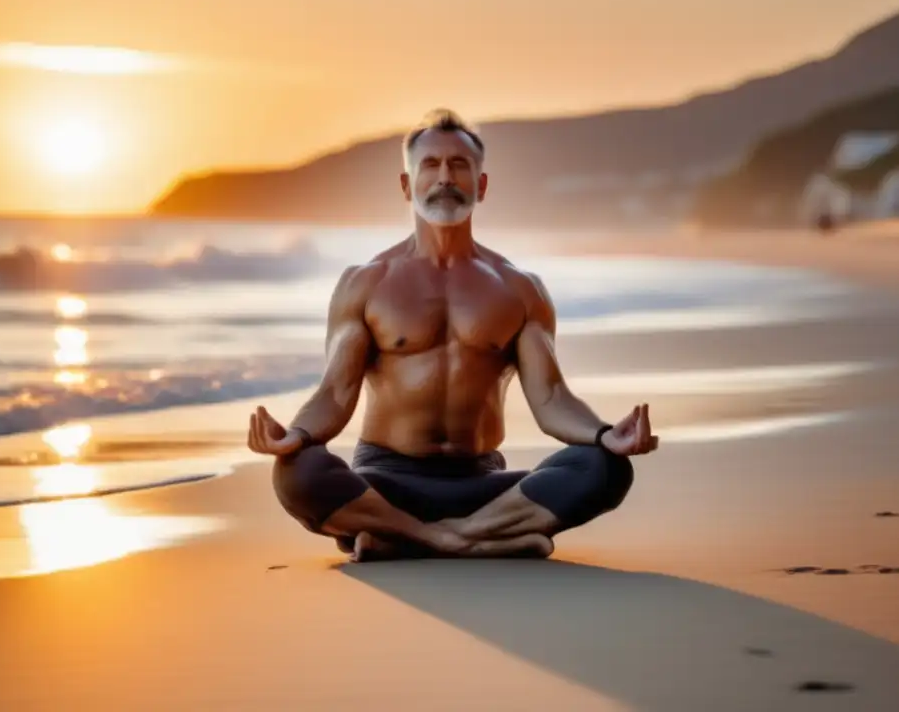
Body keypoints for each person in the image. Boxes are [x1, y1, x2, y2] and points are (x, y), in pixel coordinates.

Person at [247, 108, 659, 561]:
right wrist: (298, 435)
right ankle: (472, 539)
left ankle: (402, 538)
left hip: (483, 485)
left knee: (604, 469)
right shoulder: (365, 284)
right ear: (407, 185)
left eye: (460, 165)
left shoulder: (519, 289)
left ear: (481, 185)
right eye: (431, 165)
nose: (446, 176)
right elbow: (335, 393)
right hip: (384, 481)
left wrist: (604, 436)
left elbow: (551, 399)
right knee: (296, 473)